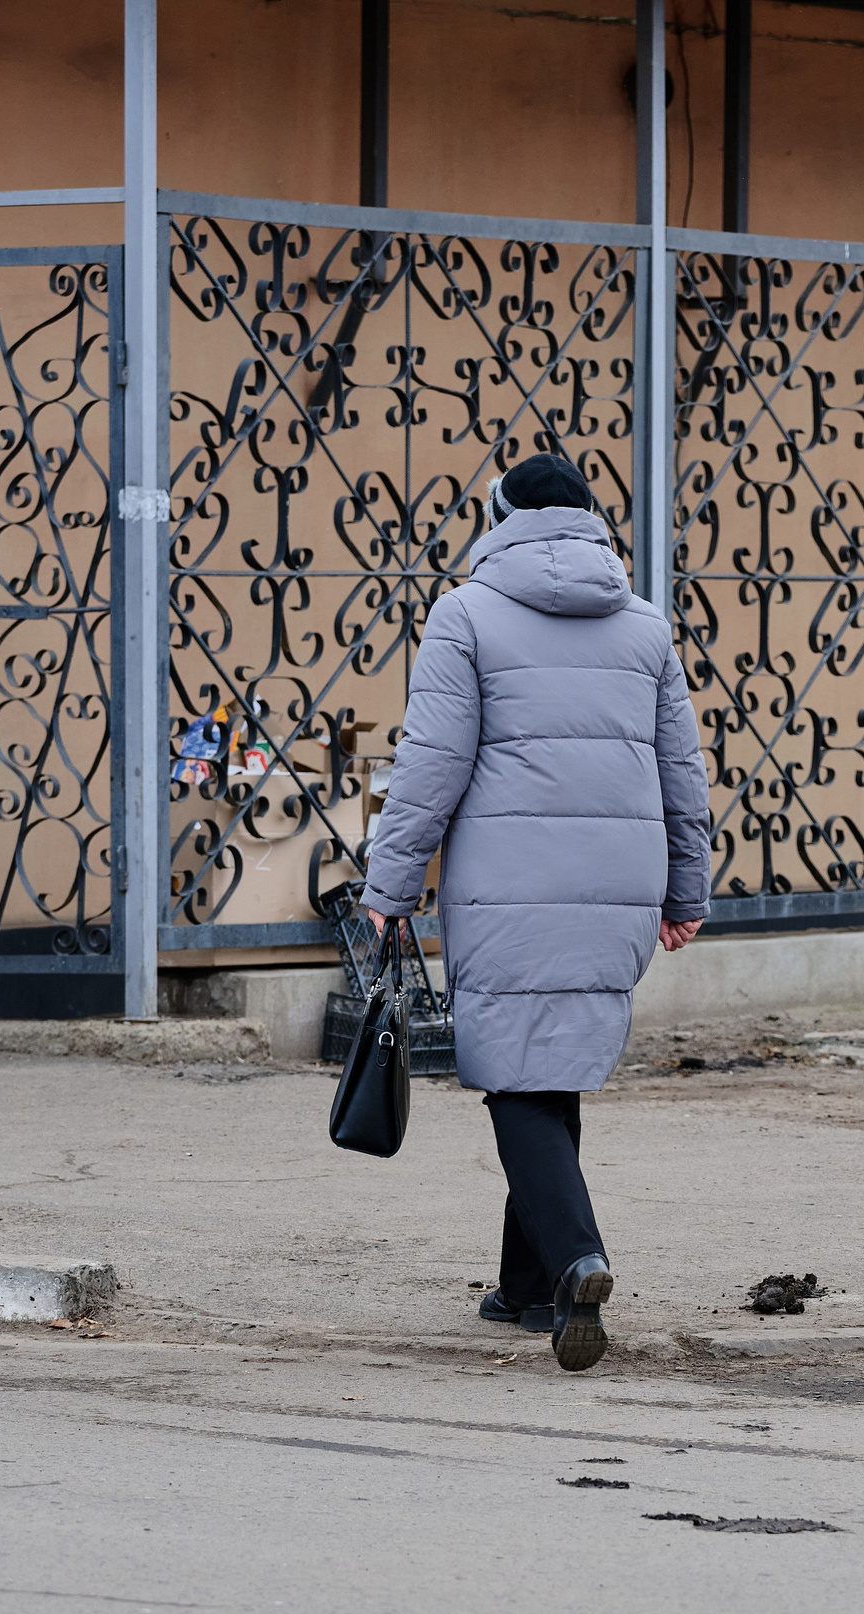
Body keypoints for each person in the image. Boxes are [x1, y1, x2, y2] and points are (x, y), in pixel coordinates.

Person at [360, 452, 712, 1372]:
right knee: (550, 1068)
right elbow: (683, 772)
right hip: (621, 881)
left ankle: (576, 1262)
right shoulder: (644, 625)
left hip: (509, 883)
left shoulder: (465, 613)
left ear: (498, 516)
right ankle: (524, 1288)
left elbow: (430, 765)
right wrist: (687, 891)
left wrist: (389, 888)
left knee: (513, 1076)